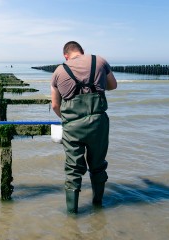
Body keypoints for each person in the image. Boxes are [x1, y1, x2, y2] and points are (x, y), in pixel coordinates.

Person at [50, 41, 117, 214]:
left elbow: (55, 105)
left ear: (65, 56)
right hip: (98, 124)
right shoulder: (99, 61)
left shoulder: (59, 71)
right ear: (82, 51)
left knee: (73, 170)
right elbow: (113, 85)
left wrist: (69, 121)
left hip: (72, 128)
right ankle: (98, 206)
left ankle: (72, 215)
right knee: (98, 166)